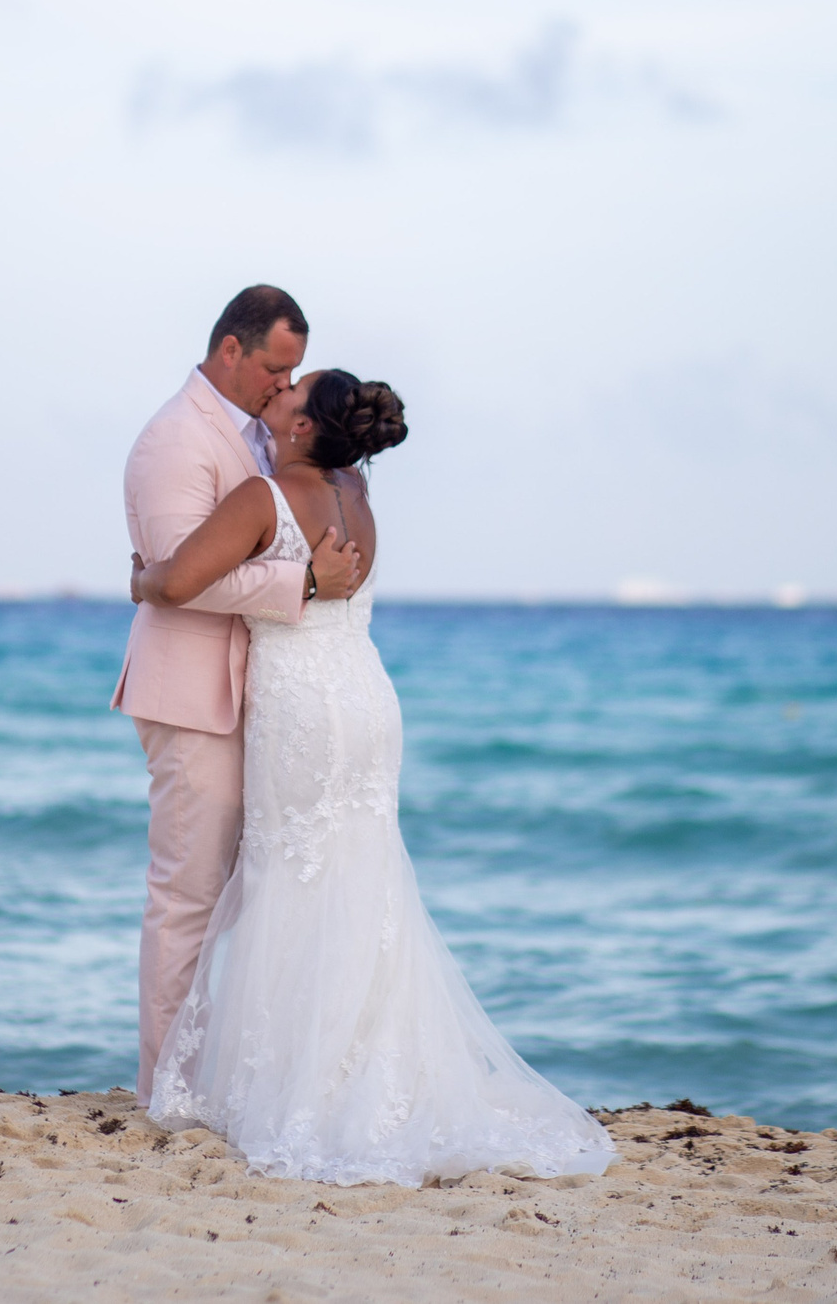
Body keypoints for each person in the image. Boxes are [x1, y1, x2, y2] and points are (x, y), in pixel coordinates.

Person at [128, 367, 617, 1187]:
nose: (282, 391)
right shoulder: (354, 491)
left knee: (293, 881)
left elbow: (178, 581)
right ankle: (372, 1075)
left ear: (304, 427)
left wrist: (141, 576)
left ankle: (302, 1087)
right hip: (367, 699)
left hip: (305, 710)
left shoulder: (262, 496)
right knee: (363, 881)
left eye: (296, 390)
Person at [112, 286, 365, 1098]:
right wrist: (306, 585)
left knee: (264, 896)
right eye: (274, 369)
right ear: (231, 349)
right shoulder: (173, 441)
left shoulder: (268, 435)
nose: (283, 386)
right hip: (192, 693)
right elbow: (185, 578)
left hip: (270, 699)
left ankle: (239, 1077)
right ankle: (167, 1089)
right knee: (187, 898)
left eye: (294, 374)